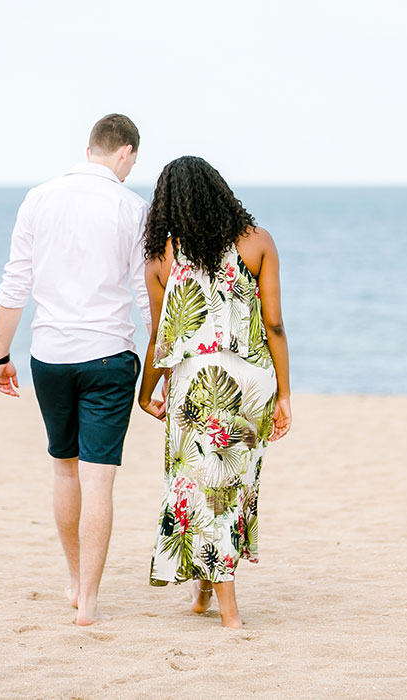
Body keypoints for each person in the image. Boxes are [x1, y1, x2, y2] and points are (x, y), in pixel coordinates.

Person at [0, 114, 150, 626]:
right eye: (132, 161)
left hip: (51, 356)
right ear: (124, 152)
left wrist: (0, 355)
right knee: (98, 480)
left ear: (89, 149)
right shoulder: (132, 206)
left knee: (63, 468)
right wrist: (162, 361)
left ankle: (73, 580)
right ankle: (90, 600)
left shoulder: (38, 198)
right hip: (109, 355)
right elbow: (147, 296)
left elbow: (16, 281)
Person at [138, 155, 292, 629]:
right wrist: (285, 394)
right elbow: (274, 324)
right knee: (229, 487)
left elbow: (160, 336)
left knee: (203, 488)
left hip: (195, 385)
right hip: (250, 382)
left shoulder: (162, 258)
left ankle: (229, 612)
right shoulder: (258, 242)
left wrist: (147, 393)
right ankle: (207, 595)